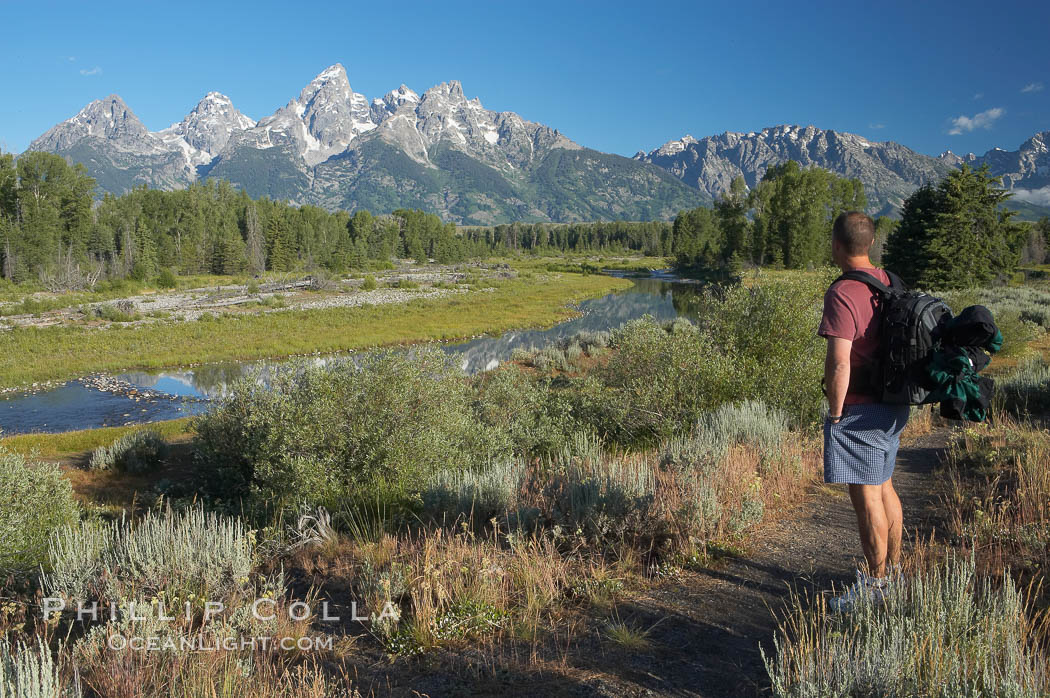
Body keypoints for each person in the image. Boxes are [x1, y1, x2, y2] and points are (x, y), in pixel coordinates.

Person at [818, 211, 910, 612]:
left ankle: (875, 588)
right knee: (885, 484)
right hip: (894, 403)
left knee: (867, 494)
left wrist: (836, 412)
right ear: (870, 244)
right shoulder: (888, 281)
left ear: (836, 245)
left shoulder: (842, 293)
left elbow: (839, 362)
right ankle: (895, 574)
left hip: (861, 409)